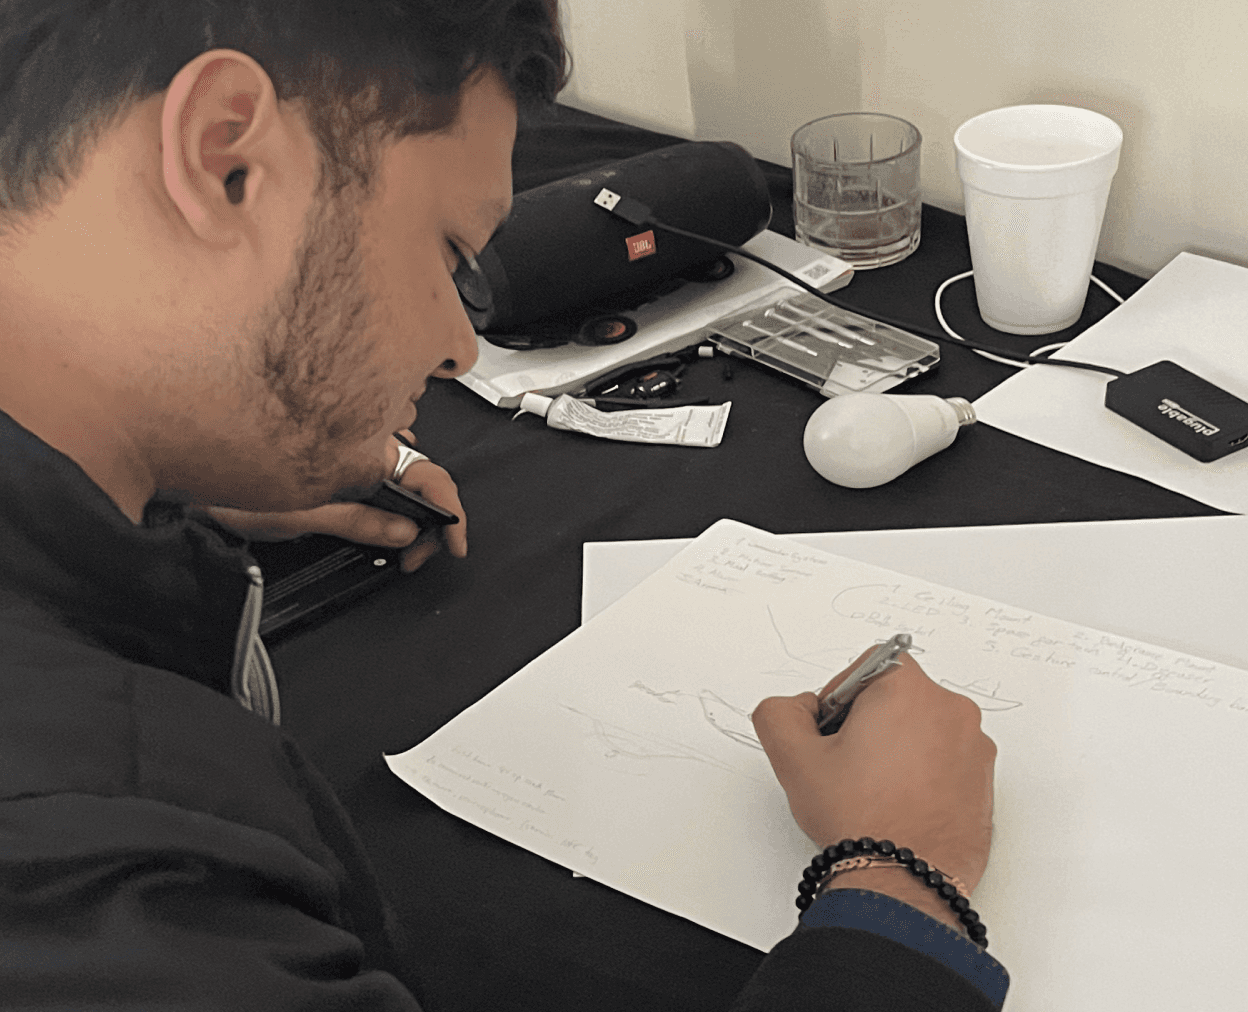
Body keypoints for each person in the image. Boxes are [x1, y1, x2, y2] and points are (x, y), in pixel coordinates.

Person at [0, 1, 1008, 1008]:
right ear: (227, 157)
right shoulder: (93, 872)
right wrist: (900, 875)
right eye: (448, 255)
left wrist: (176, 465)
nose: (458, 349)